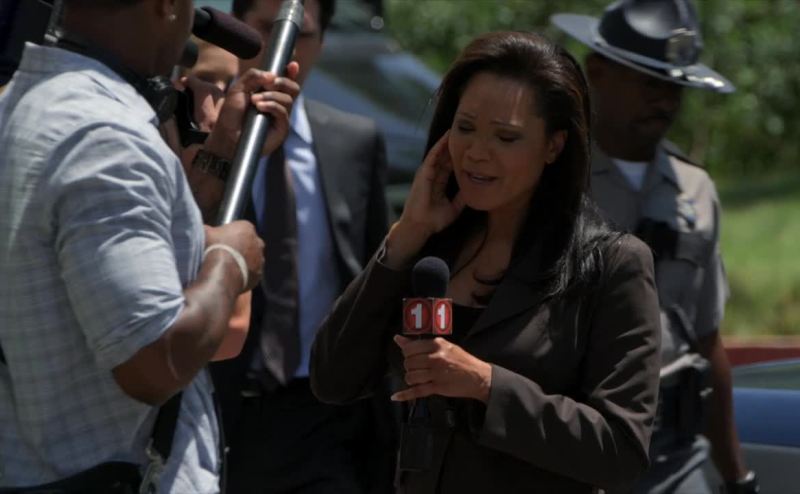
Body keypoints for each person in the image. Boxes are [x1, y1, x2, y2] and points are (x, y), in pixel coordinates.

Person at [310, 31, 662, 493]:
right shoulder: (430, 248)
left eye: (505, 137)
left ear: (554, 146)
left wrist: (485, 385)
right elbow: (333, 379)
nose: (476, 152)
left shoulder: (612, 264)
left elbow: (621, 451)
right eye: (465, 127)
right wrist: (405, 237)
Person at [0, 0, 298, 491]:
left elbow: (146, 257)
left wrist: (223, 150)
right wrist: (229, 261)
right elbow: (154, 361)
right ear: (166, 5)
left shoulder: (26, 102)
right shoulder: (104, 136)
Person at [552, 1, 759, 493]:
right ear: (597, 70)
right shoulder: (553, 180)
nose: (664, 100)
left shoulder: (694, 189)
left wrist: (737, 477)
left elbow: (706, 339)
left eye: (675, 87)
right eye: (649, 82)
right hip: (573, 440)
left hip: (673, 449)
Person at [207, 0, 396, 493]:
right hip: (220, 406)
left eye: (301, 34)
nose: (283, 48)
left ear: (322, 43)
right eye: (266, 29)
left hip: (323, 414)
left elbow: (379, 280)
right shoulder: (202, 138)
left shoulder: (354, 143)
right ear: (237, 31)